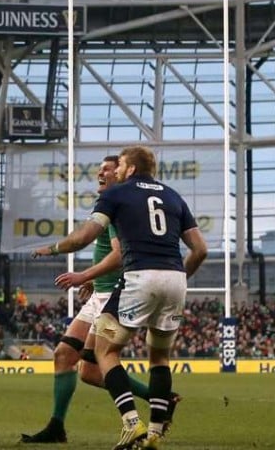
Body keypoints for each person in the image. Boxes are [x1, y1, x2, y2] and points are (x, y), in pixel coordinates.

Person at [27, 156, 178, 444]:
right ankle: (58, 425)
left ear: (122, 174)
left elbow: (121, 254)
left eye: (109, 168)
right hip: (100, 294)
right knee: (75, 362)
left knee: (95, 363)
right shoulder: (117, 201)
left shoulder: (118, 203)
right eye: (100, 168)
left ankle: (145, 409)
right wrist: (95, 280)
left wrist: (83, 274)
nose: (101, 172)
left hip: (114, 296)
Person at [82, 146, 206, 450]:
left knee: (105, 349)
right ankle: (154, 434)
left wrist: (60, 250)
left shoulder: (119, 193)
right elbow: (200, 250)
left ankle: (130, 423)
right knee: (160, 358)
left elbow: (86, 236)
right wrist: (177, 278)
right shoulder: (174, 196)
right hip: (174, 284)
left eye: (121, 164)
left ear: (131, 169)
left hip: (138, 282)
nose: (118, 169)